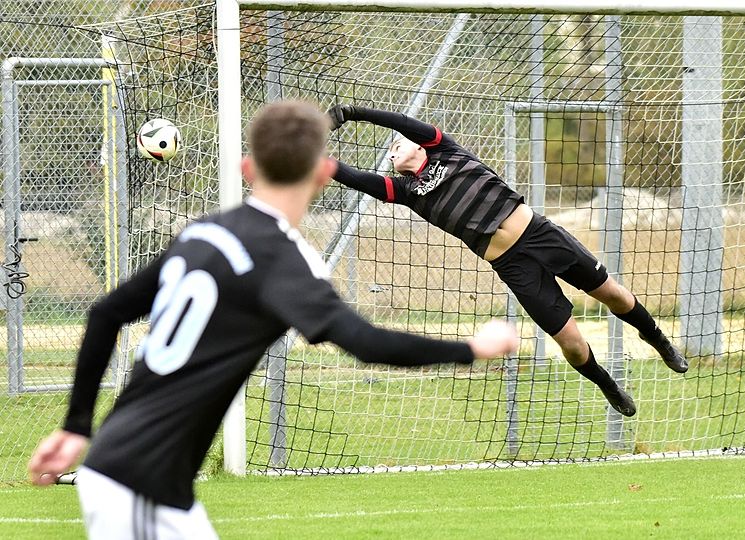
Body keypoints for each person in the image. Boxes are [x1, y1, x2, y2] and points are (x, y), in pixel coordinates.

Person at [27, 101, 519, 539]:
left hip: (143, 478)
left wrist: (76, 426)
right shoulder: (284, 261)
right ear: (323, 174)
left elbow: (106, 312)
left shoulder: (204, 232)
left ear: (247, 168)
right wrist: (472, 348)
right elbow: (366, 342)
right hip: (139, 481)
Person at [327, 104, 688, 418]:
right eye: (391, 152)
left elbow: (402, 122)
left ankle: (657, 339)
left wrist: (353, 113)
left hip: (540, 235)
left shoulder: (445, 150)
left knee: (614, 295)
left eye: (398, 143)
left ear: (418, 144)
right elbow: (355, 178)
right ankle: (607, 384)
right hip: (513, 266)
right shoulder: (406, 191)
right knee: (572, 344)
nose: (394, 149)